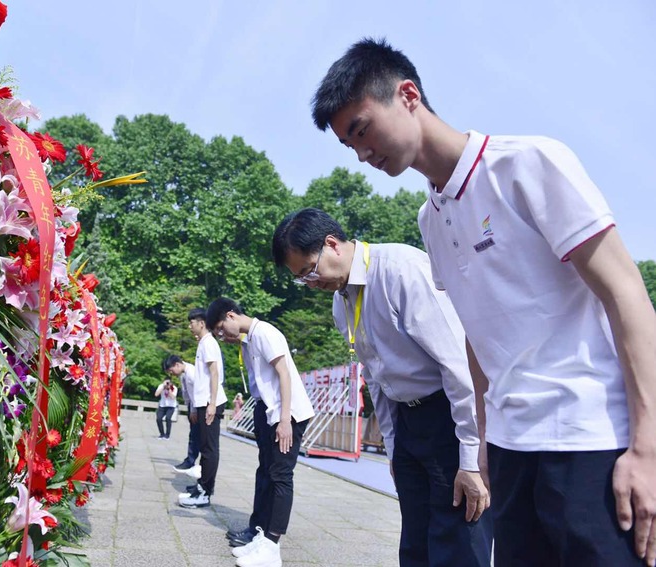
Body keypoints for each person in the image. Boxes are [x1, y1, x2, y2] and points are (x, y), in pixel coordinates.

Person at [310, 38, 656, 567]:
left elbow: (626, 293)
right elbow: (474, 334)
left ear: (408, 95)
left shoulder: (528, 164)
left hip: (589, 439)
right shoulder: (431, 218)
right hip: (513, 451)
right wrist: (485, 443)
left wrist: (647, 447)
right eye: (348, 145)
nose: (361, 153)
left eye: (361, 129)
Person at [272, 208, 492, 567]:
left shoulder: (400, 269)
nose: (310, 282)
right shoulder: (341, 304)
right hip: (407, 423)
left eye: (309, 270)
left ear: (332, 245)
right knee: (415, 544)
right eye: (301, 279)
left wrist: (471, 458)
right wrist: (394, 447)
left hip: (449, 418)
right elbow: (374, 377)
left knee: (458, 541)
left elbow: (458, 368)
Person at [206, 297, 315, 567]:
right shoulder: (249, 339)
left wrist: (285, 419)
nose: (221, 336)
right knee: (266, 472)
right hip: (269, 411)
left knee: (280, 476)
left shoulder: (265, 333)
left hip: (286, 413)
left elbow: (285, 375)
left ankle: (272, 546)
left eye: (221, 329)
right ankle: (261, 535)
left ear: (231, 316)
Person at [178, 308, 227, 509]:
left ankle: (205, 492)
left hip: (209, 402)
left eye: (192, 322)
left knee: (209, 449)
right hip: (203, 402)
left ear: (201, 322)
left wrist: (212, 404)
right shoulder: (203, 343)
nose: (190, 326)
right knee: (205, 447)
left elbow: (215, 374)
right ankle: (202, 486)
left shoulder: (208, 343)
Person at [163, 354, 201, 477]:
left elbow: (197, 393)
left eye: (171, 370)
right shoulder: (183, 374)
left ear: (177, 365)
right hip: (191, 405)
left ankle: (193, 462)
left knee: (197, 436)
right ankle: (190, 460)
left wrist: (194, 410)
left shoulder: (192, 373)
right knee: (193, 435)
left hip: (198, 406)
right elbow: (186, 393)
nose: (171, 374)